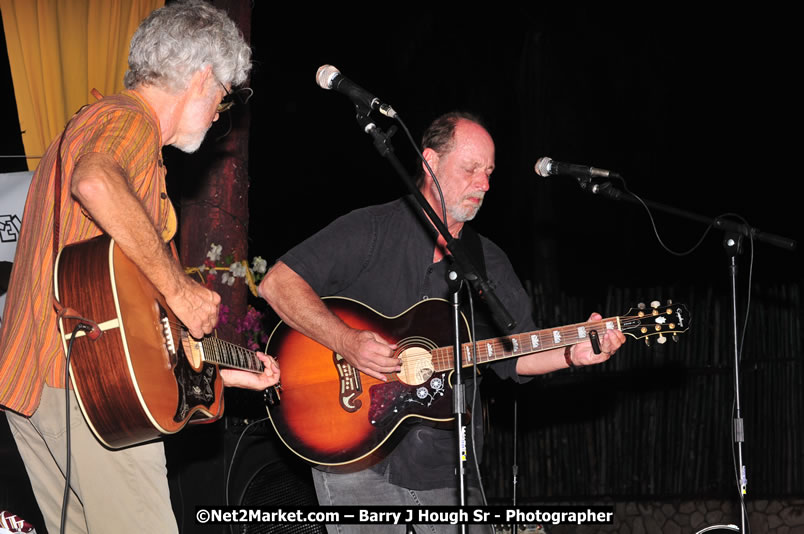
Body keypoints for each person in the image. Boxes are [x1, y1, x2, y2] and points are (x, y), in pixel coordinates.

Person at [258, 111, 626, 533]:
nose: (484, 184)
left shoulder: (488, 262)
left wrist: (573, 355)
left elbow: (515, 354)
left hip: (448, 469)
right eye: (471, 169)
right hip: (352, 451)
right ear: (430, 161)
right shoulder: (371, 230)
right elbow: (277, 284)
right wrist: (345, 340)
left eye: (489, 172)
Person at [0, 2, 279, 533]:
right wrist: (180, 290)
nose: (218, 113)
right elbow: (95, 183)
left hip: (48, 381)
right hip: (87, 384)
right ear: (201, 78)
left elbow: (137, 320)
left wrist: (220, 369)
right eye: (223, 96)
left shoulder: (99, 127)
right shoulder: (126, 121)